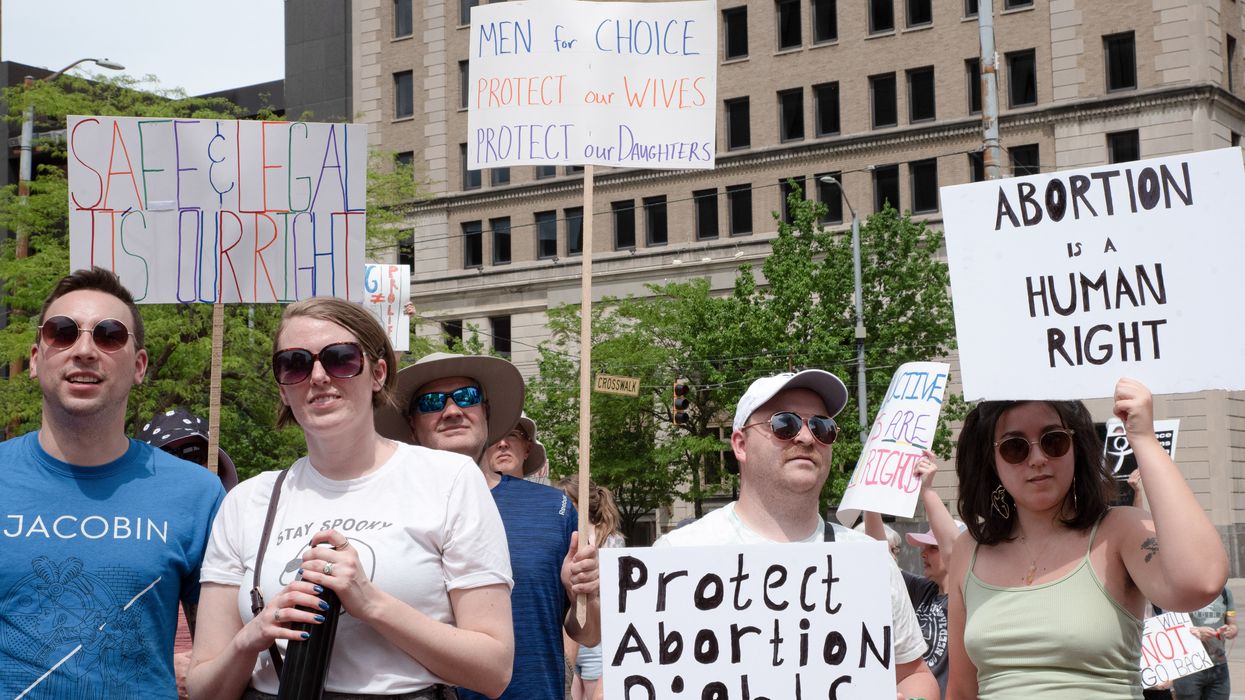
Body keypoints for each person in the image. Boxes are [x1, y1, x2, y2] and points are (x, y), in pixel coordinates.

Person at [189, 299, 514, 699]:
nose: (319, 376)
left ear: (377, 373)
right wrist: (252, 636)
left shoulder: (449, 479)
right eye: (295, 363)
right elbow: (203, 688)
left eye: (341, 359)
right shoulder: (246, 500)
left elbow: (493, 670)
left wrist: (371, 602)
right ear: (283, 386)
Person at [0, 266, 224, 699]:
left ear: (139, 366)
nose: (84, 350)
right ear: (34, 358)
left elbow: (213, 670)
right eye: (62, 332)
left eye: (109, 335)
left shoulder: (198, 494)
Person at [655, 370, 939, 700]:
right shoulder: (679, 555)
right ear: (741, 444)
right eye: (784, 424)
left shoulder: (867, 562)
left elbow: (914, 675)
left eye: (822, 427)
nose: (806, 438)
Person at [946, 377, 1229, 699]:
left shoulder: (1119, 530)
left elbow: (1200, 582)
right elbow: (961, 689)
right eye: (1015, 447)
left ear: (1077, 447)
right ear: (992, 461)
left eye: (1053, 441)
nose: (1037, 458)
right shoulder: (969, 549)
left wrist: (1144, 440)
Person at [374, 352, 601, 700]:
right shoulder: (385, 511)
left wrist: (588, 595)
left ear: (486, 412)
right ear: (412, 424)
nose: (451, 411)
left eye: (466, 397)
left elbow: (586, 634)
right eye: (432, 402)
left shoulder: (550, 508)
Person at [138, 407, 241, 698]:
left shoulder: (246, 539)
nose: (182, 469)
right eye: (167, 458)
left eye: (195, 454)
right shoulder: (123, 543)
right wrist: (163, 669)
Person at [863, 452, 965, 699]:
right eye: (922, 547)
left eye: (932, 547)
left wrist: (927, 489)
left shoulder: (969, 597)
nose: (923, 553)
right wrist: (870, 502)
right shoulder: (922, 590)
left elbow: (955, 549)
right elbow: (879, 559)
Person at [556, 477, 624, 700]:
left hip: (598, 642)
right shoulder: (563, 538)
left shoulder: (609, 541)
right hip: (568, 639)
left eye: (565, 502)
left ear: (579, 504)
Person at [482, 412, 547, 479]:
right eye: (494, 436)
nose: (503, 444)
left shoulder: (545, 490)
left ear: (527, 449)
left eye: (512, 435)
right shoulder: (472, 489)